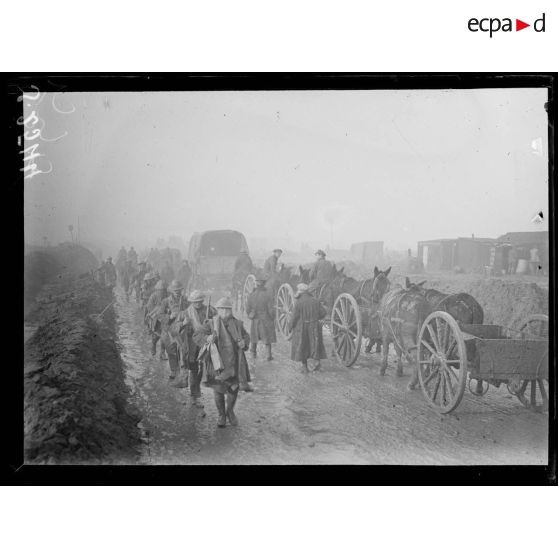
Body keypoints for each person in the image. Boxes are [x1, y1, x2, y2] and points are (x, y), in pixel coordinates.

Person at [194, 297, 251, 427]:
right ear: (218, 310)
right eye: (221, 309)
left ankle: (230, 412)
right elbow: (196, 335)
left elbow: (246, 336)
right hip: (217, 362)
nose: (224, 311)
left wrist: (244, 342)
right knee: (218, 389)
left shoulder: (238, 324)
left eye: (227, 309)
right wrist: (207, 338)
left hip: (234, 362)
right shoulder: (211, 323)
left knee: (234, 388)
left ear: (231, 310)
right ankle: (221, 415)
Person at [181, 290, 217, 408]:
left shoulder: (208, 310)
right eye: (195, 302)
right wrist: (184, 324)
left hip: (204, 343)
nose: (197, 304)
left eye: (199, 301)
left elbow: (216, 322)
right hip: (191, 344)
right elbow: (177, 329)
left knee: (202, 368)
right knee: (193, 369)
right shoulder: (187, 313)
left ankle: (196, 394)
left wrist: (211, 321)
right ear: (191, 302)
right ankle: (193, 396)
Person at [289, 283, 327, 373]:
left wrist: (290, 326)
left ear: (300, 292)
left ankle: (305, 367)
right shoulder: (315, 301)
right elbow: (323, 313)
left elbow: (294, 317)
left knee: (303, 345)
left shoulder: (298, 302)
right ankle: (317, 363)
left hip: (303, 327)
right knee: (315, 344)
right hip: (314, 326)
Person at [160, 279, 189, 380]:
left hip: (183, 328)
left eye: (179, 290)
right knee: (171, 350)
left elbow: (190, 311)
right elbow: (160, 315)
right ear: (171, 290)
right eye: (175, 290)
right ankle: (174, 370)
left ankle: (184, 369)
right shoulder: (165, 301)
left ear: (181, 290)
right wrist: (170, 316)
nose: (177, 292)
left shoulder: (186, 300)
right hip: (169, 329)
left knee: (184, 349)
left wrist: (186, 317)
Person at [246, 273, 276, 361]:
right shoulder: (268, 295)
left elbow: (247, 309)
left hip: (255, 319)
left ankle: (253, 354)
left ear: (257, 284)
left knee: (254, 338)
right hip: (265, 319)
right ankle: (268, 355)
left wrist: (251, 314)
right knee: (267, 338)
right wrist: (273, 317)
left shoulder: (251, 295)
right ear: (264, 284)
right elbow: (271, 309)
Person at [146, 280, 168, 359]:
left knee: (165, 336)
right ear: (157, 290)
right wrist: (157, 310)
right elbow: (149, 307)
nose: (162, 291)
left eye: (163, 290)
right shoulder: (153, 296)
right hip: (156, 319)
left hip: (165, 319)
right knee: (156, 335)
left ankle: (162, 353)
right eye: (160, 290)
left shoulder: (167, 296)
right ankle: (153, 345)